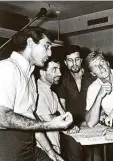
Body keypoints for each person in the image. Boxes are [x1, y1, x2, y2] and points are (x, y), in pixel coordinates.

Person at [0, 26, 73, 161]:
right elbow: (2, 118)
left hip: (29, 146)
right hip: (8, 146)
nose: (50, 53)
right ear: (30, 43)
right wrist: (48, 125)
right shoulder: (7, 68)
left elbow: (30, 119)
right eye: (46, 46)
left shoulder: (30, 76)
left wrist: (50, 152)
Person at [56, 45, 98, 161]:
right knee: (75, 155)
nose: (74, 63)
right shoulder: (62, 80)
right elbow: (61, 107)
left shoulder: (92, 77)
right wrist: (69, 125)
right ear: (65, 62)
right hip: (73, 127)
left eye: (76, 59)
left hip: (93, 123)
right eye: (70, 60)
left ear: (81, 60)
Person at [35, 57, 67, 161]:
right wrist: (64, 120)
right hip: (43, 151)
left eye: (59, 69)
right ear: (42, 72)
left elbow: (64, 116)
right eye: (54, 69)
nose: (59, 73)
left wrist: (70, 124)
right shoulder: (36, 92)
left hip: (55, 148)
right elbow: (48, 119)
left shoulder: (53, 94)